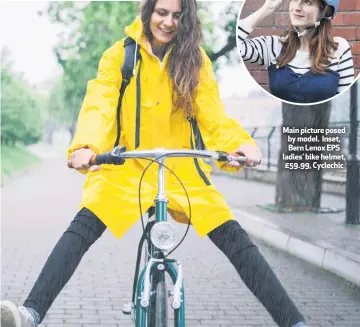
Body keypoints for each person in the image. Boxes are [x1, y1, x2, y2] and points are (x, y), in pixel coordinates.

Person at [1, 1, 309, 327]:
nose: (168, 22)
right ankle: (30, 313)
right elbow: (100, 103)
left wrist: (239, 145)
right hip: (126, 169)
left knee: (236, 240)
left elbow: (213, 115)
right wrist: (86, 147)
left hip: (182, 173)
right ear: (148, 12)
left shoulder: (196, 61)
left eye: (177, 15)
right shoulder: (120, 56)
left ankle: (294, 322)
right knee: (82, 228)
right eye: (162, 12)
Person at [237, 0, 355, 104]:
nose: (297, 8)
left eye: (307, 2)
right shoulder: (273, 46)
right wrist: (267, 9)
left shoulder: (338, 49)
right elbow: (236, 45)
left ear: (326, 12)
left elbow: (345, 102)